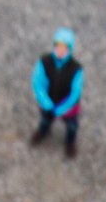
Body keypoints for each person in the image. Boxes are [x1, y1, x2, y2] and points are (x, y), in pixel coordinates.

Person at [28, 27, 84, 159]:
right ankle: (43, 131)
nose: (60, 50)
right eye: (58, 46)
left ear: (69, 49)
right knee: (45, 120)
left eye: (64, 47)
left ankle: (70, 143)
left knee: (72, 127)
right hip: (48, 103)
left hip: (68, 107)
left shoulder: (76, 69)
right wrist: (45, 101)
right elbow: (37, 83)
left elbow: (76, 92)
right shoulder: (44, 62)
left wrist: (63, 108)